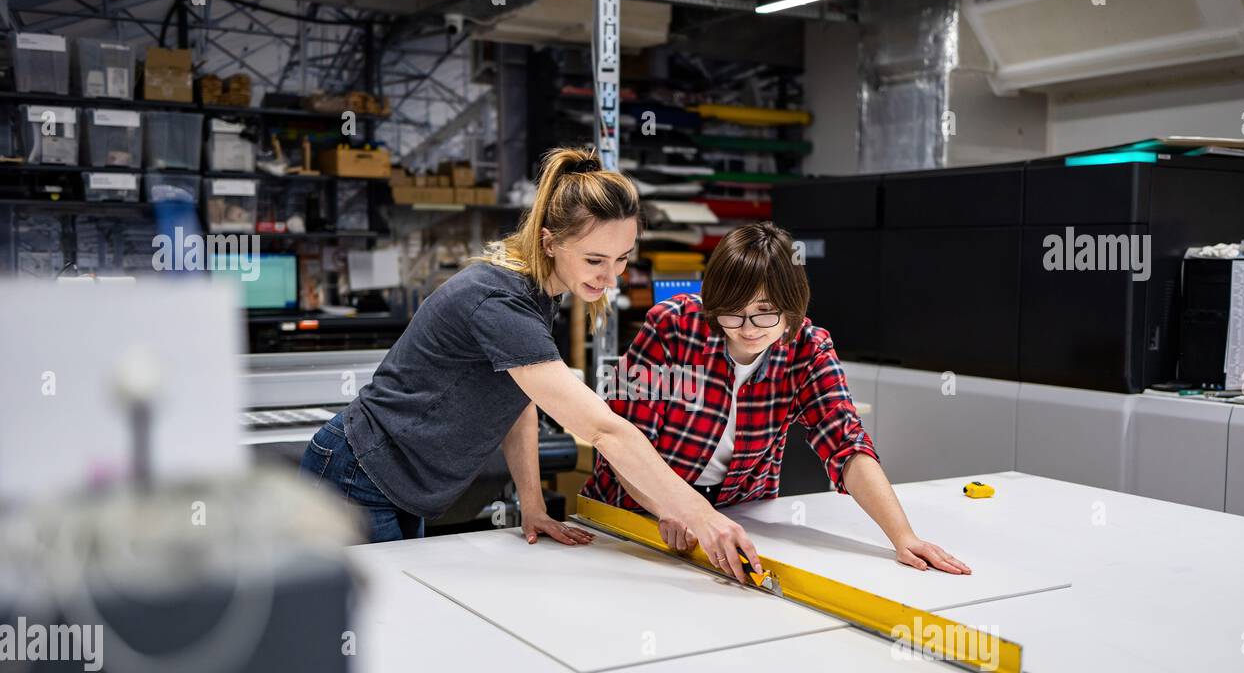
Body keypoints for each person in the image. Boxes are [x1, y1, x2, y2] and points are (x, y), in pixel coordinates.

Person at [299, 146, 762, 582]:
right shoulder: (501, 301)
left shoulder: (540, 294)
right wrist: (703, 517)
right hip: (357, 474)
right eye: (595, 259)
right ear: (549, 242)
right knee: (374, 628)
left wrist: (533, 505)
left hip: (400, 483)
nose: (611, 276)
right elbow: (605, 430)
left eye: (623, 258)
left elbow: (517, 397)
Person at [581, 221, 970, 574]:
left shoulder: (807, 349)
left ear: (793, 306)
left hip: (739, 515)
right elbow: (626, 442)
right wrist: (672, 508)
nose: (748, 329)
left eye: (765, 313)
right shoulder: (673, 327)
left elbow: (847, 444)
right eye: (732, 313)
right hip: (633, 516)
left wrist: (903, 536)